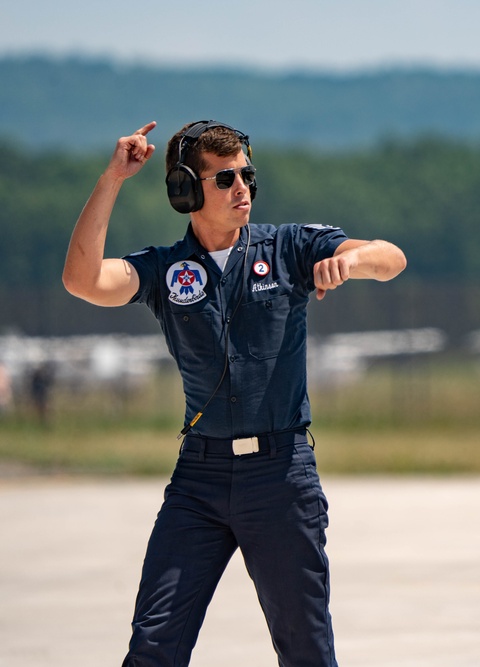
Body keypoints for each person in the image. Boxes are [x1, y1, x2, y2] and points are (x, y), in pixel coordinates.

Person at [62, 120, 406, 666]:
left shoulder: (290, 247)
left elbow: (391, 257)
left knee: (306, 648)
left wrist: (351, 260)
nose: (241, 187)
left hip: (280, 475)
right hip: (198, 479)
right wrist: (112, 179)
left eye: (247, 174)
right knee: (153, 645)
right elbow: (82, 280)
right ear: (187, 191)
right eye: (224, 179)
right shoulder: (166, 270)